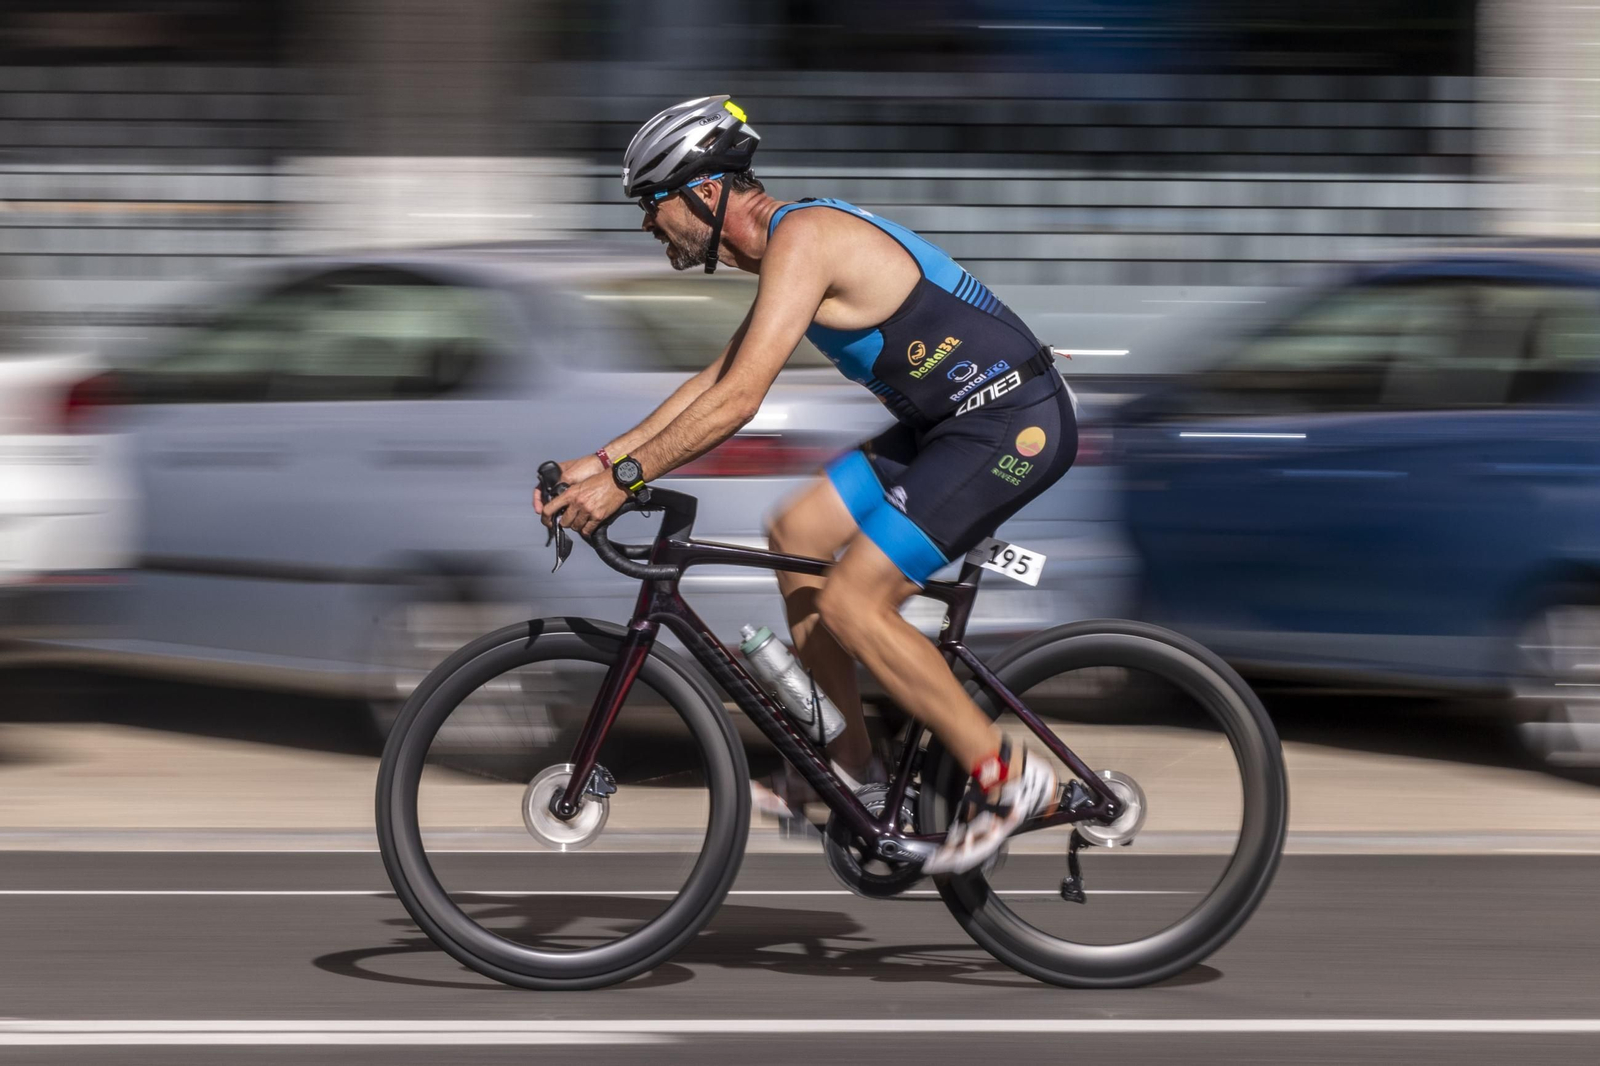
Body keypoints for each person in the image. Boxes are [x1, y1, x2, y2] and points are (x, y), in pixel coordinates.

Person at [535, 95, 1079, 874]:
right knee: (797, 532)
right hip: (948, 425)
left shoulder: (806, 236)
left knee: (855, 601)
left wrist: (625, 481)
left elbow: (739, 400)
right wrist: (600, 460)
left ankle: (1008, 778)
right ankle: (852, 758)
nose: (650, 227)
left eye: (654, 205)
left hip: (1008, 422)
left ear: (705, 191)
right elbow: (716, 376)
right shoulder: (787, 249)